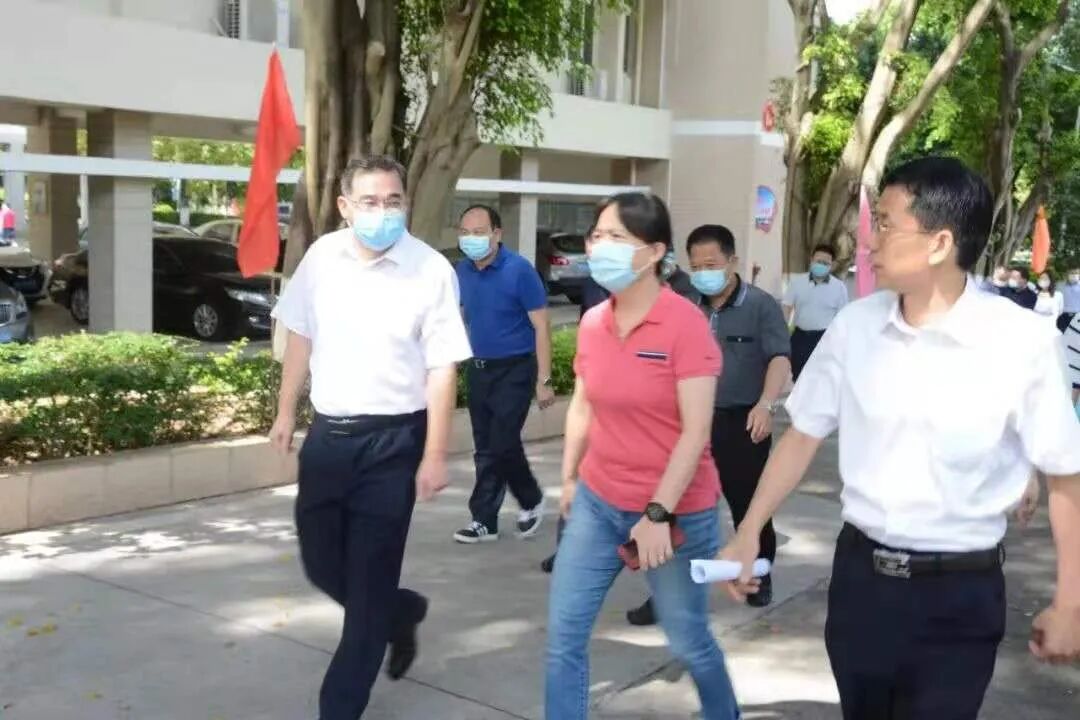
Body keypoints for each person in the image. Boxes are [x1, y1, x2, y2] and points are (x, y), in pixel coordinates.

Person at [719, 156, 1080, 720]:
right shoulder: (856, 326)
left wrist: (1071, 602)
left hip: (960, 595)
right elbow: (801, 436)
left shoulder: (1021, 343)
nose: (869, 241)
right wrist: (747, 532)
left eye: (886, 224)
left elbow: (1064, 476)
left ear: (939, 243)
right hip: (861, 585)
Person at [268, 155, 473, 720]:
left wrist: (434, 454)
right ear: (344, 206)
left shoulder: (431, 269)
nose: (383, 212)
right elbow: (301, 337)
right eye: (370, 202)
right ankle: (398, 611)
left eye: (393, 201)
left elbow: (442, 368)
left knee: (367, 583)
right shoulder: (321, 258)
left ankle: (338, 706)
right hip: (329, 439)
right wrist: (285, 410)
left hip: (394, 444)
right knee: (320, 564)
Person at [547, 192, 740, 720]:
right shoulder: (593, 322)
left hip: (676, 514)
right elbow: (583, 406)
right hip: (599, 502)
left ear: (654, 252)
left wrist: (657, 514)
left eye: (616, 237)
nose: (599, 247)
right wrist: (569, 480)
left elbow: (696, 431)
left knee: (688, 640)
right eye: (596, 236)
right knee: (563, 637)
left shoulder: (685, 324)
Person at [624, 224, 792, 627]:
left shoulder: (760, 306)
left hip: (741, 422)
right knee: (675, 507)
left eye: (711, 264)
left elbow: (779, 358)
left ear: (732, 261)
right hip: (687, 424)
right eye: (696, 266)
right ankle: (667, 593)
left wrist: (766, 405)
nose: (703, 273)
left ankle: (757, 572)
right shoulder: (682, 304)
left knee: (748, 504)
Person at [544, 248, 696, 573]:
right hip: (604, 405)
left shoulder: (683, 291)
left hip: (651, 414)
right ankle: (569, 550)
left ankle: (664, 570)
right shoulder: (596, 287)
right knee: (584, 482)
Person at [452, 204, 553, 543]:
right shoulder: (462, 271)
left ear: (497, 234)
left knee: (502, 442)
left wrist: (544, 380)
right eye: (465, 232)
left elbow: (541, 326)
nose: (471, 238)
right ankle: (486, 521)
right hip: (479, 369)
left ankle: (529, 498)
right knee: (485, 447)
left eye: (479, 232)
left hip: (515, 369)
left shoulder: (519, 270)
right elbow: (461, 316)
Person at [783, 244, 848, 380]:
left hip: (824, 338)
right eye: (818, 261)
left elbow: (843, 318)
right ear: (811, 260)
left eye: (825, 263)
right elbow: (786, 308)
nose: (821, 265)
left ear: (832, 265)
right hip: (800, 337)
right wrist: (782, 335)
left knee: (821, 378)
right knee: (798, 376)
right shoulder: (797, 282)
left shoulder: (839, 287)